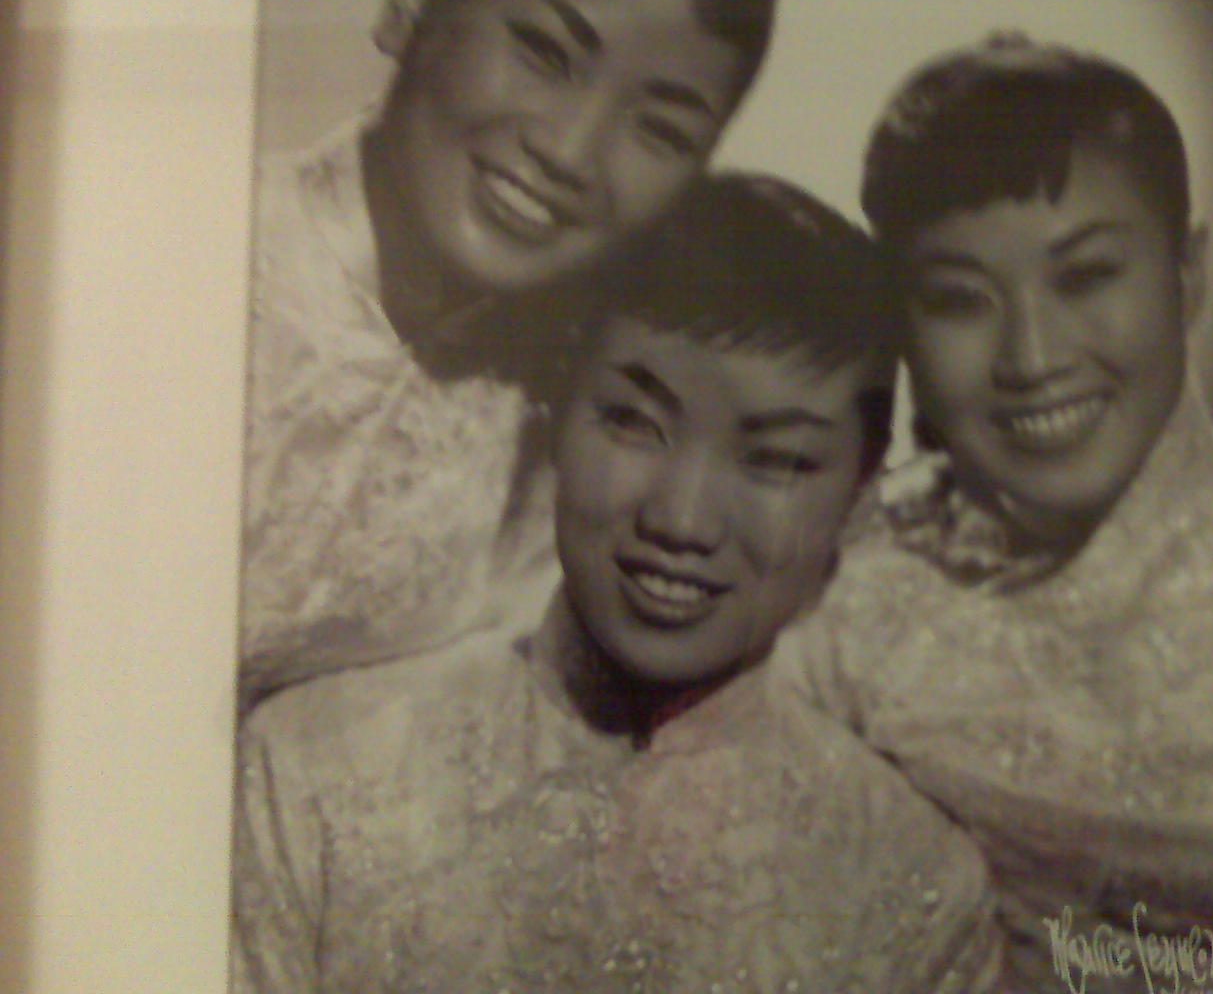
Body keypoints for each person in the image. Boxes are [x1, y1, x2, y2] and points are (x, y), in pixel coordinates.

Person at [230, 174, 1003, 994]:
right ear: (557, 414)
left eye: (777, 460)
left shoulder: (913, 891)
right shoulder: (313, 771)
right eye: (635, 422)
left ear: (858, 497)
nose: (682, 520)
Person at [239, 0, 780, 705]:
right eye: (542, 52)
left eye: (660, 129)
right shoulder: (166, 260)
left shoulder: (583, 409)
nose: (569, 153)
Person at [774, 36, 1213, 991]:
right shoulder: (842, 589)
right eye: (960, 301)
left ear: (1189, 274)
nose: (1032, 359)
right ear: (903, 327)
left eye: (1085, 277)